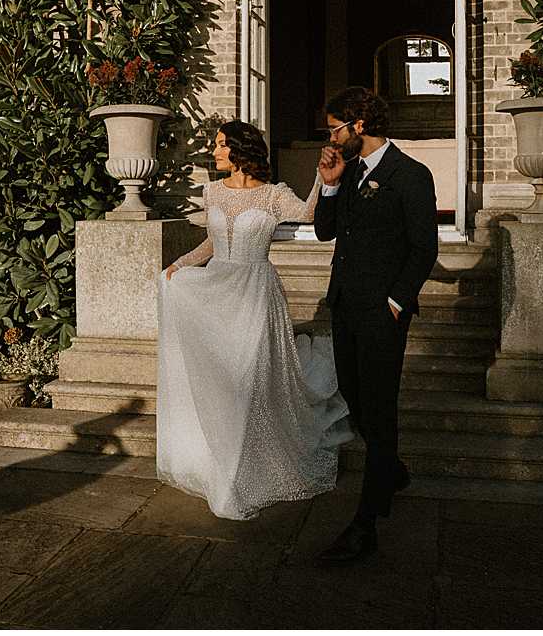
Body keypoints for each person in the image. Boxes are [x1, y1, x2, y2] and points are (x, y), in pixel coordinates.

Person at [157, 120, 351, 520]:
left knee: (249, 380)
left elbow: (310, 215)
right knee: (223, 382)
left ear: (241, 150)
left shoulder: (273, 195)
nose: (215, 152)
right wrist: (177, 265)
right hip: (217, 292)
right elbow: (212, 242)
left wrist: (321, 178)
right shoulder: (212, 191)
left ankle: (242, 475)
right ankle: (222, 468)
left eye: (221, 145)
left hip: (256, 292)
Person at [313, 86, 438, 565]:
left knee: (380, 409)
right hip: (345, 305)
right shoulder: (345, 172)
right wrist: (328, 183)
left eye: (334, 129)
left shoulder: (410, 174)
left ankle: (366, 524)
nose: (330, 137)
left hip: (383, 312)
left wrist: (396, 300)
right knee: (355, 397)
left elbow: (424, 247)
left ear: (358, 125)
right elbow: (326, 231)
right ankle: (394, 471)